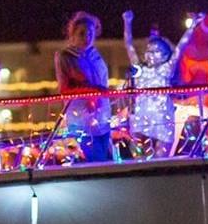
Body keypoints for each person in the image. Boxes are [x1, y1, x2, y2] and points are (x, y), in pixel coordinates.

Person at [54, 12, 114, 162]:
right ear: (72, 35)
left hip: (102, 116)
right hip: (82, 117)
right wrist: (91, 91)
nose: (87, 37)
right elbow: (64, 89)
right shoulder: (66, 57)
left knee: (108, 160)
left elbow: (103, 82)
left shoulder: (95, 55)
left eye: (90, 33)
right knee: (96, 160)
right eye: (82, 33)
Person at [122, 10, 178, 155]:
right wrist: (127, 22)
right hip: (141, 118)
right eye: (148, 50)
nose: (150, 54)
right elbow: (128, 45)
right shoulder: (140, 69)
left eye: (155, 51)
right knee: (140, 157)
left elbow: (180, 49)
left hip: (162, 118)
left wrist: (192, 27)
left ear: (165, 56)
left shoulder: (166, 69)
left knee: (161, 158)